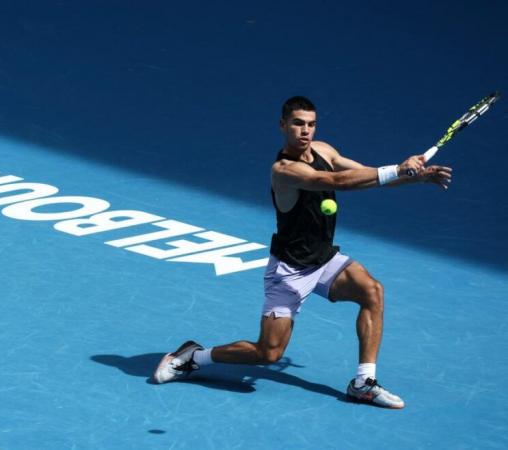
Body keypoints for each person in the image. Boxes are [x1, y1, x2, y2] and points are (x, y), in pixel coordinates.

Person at [152, 96, 452, 409]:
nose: (305, 130)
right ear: (283, 125)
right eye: (297, 123)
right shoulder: (284, 170)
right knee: (268, 353)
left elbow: (366, 174)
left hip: (324, 259)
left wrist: (414, 176)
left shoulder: (324, 150)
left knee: (372, 292)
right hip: (291, 270)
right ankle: (192, 356)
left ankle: (364, 383)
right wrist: (396, 169)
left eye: (310, 124)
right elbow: (336, 181)